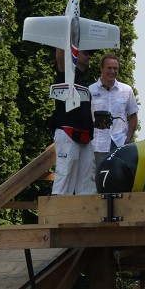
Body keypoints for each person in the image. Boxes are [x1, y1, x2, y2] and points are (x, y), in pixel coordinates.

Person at [51, 48, 96, 195]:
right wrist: (65, 28)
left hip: (85, 136)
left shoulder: (84, 81)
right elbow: (60, 56)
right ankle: (57, 216)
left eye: (91, 53)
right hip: (67, 132)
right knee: (65, 177)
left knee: (88, 181)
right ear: (75, 54)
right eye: (86, 52)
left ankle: (86, 216)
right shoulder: (67, 75)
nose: (89, 56)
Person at [90, 53, 139, 167]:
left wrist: (129, 138)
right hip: (97, 144)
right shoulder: (90, 90)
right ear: (101, 68)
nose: (112, 71)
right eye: (109, 68)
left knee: (119, 180)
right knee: (96, 181)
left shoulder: (126, 90)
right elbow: (85, 117)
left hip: (120, 144)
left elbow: (133, 115)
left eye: (115, 68)